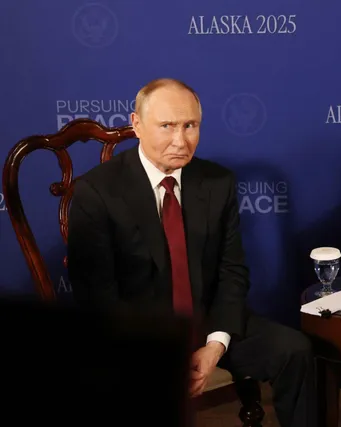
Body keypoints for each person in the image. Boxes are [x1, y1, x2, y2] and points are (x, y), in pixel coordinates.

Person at [67, 78, 316, 427]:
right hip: (138, 336)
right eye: (167, 126)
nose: (180, 141)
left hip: (207, 321)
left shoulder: (217, 182)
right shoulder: (97, 191)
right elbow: (98, 298)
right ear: (136, 124)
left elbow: (232, 271)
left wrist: (216, 345)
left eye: (190, 126)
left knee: (294, 350)